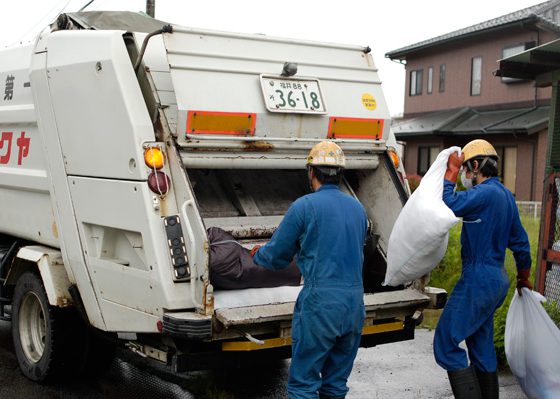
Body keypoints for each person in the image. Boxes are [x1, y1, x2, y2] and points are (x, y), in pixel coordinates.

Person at [251, 141, 368, 399]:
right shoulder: (358, 209)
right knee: (335, 385)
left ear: (311, 172)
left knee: (304, 385)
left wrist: (256, 254)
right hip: (353, 305)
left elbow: (277, 256)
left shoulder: (304, 206)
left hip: (321, 305)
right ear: (340, 174)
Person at [434, 139, 532, 399]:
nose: (466, 174)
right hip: (496, 280)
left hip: (478, 278)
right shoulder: (506, 197)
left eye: (467, 169)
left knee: (446, 342)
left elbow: (449, 202)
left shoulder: (484, 193)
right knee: (481, 345)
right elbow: (521, 244)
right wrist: (524, 277)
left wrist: (450, 173)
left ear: (476, 166)